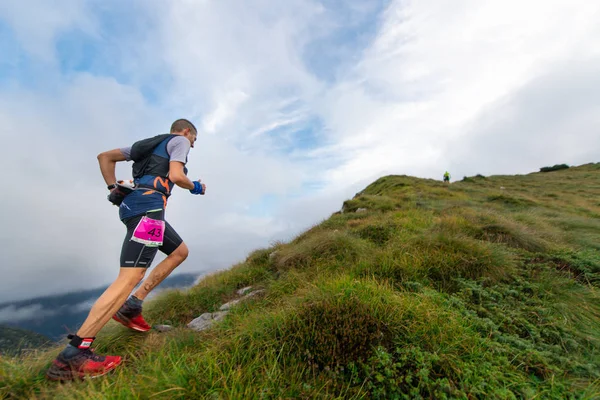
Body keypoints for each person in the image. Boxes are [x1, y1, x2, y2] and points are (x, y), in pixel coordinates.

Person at [46, 119, 206, 381]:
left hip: (135, 207)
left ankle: (131, 306)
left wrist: (112, 188)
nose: (192, 145)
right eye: (194, 140)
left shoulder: (147, 145)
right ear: (187, 132)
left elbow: (105, 157)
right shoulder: (180, 141)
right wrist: (196, 187)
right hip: (149, 212)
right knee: (129, 276)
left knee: (179, 252)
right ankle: (74, 355)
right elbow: (177, 176)